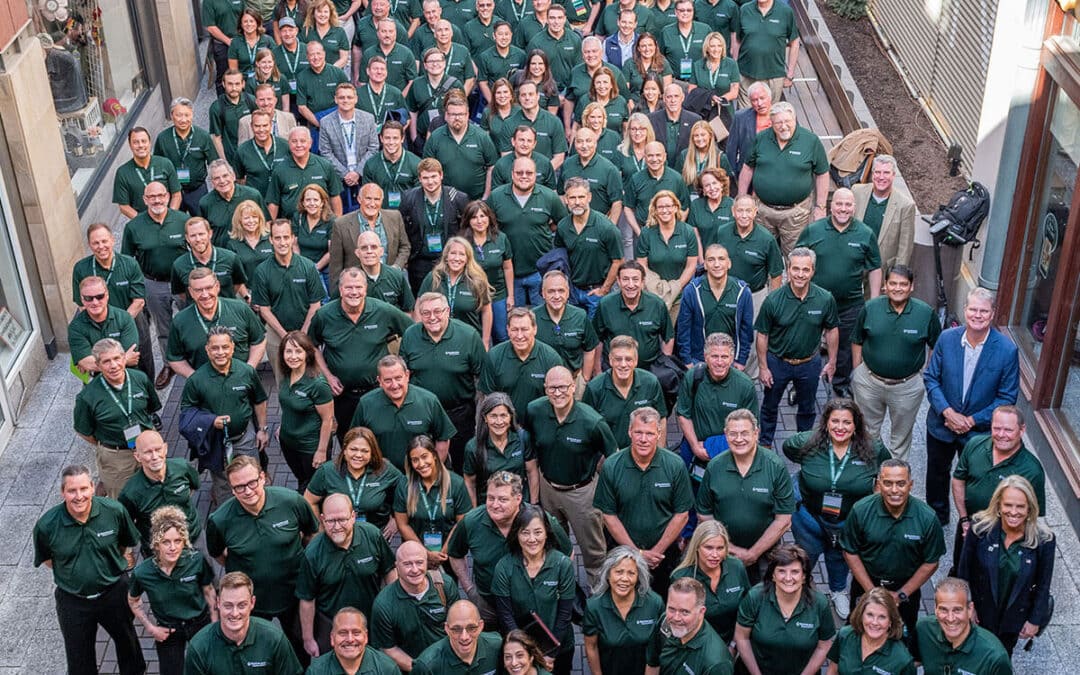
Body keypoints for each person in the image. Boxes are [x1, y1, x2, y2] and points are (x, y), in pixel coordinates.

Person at [782, 398, 892, 619]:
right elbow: (787, 449)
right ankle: (801, 589)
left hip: (849, 521)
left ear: (856, 425)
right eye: (835, 421)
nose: (840, 427)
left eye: (847, 422)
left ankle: (838, 589)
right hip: (809, 518)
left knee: (840, 557)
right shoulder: (807, 443)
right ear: (826, 423)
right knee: (805, 556)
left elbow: (885, 471)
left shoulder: (873, 449)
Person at [32, 465, 145, 675]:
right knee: (79, 661)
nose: (79, 496)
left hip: (114, 593)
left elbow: (123, 546)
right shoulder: (47, 525)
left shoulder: (114, 511)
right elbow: (48, 560)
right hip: (73, 601)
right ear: (62, 492)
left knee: (129, 647)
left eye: (84, 488)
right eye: (72, 490)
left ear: (93, 487)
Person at [206, 456, 319, 661]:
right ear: (231, 489)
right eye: (239, 487)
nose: (248, 491)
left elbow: (311, 535)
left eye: (252, 483)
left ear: (263, 477)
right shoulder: (220, 520)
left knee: (298, 651)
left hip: (294, 595)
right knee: (256, 654)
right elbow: (217, 554)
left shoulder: (291, 501)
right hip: (250, 603)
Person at [923, 287, 1019, 525]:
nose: (978, 315)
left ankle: (974, 522)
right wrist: (947, 412)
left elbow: (1007, 398)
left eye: (983, 311)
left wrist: (972, 420)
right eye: (973, 309)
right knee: (936, 474)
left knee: (977, 480)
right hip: (941, 425)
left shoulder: (1007, 351)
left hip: (978, 433)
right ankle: (938, 519)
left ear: (993, 313)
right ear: (965, 310)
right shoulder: (947, 339)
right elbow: (931, 378)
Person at [525, 366, 617, 586]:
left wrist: (598, 482)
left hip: (582, 494)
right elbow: (531, 447)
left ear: (573, 387)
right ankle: (563, 590)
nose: (558, 393)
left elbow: (613, 456)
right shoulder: (534, 411)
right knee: (554, 546)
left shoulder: (592, 421)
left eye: (563, 387)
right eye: (552, 388)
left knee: (593, 552)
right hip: (548, 489)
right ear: (545, 389)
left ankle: (598, 595)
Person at [840, 458, 945, 643]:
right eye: (888, 483)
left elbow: (931, 562)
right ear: (879, 484)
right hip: (866, 584)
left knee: (902, 637)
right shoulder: (861, 510)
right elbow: (850, 552)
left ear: (911, 485)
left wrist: (902, 594)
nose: (894, 490)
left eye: (901, 484)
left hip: (906, 591)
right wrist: (871, 591)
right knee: (859, 631)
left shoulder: (927, 518)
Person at [595, 406, 694, 594]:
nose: (643, 439)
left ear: (659, 434)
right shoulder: (612, 466)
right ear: (629, 431)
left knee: (663, 601)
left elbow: (682, 515)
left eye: (649, 433)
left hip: (664, 556)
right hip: (622, 554)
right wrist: (637, 554)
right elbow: (608, 515)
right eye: (638, 432)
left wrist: (656, 552)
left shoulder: (675, 465)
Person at [448, 472, 572, 621]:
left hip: (531, 608)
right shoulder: (471, 522)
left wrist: (553, 590)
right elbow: (455, 554)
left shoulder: (539, 519)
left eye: (503, 499)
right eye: (490, 498)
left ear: (518, 499)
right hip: (489, 606)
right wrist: (470, 589)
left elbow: (567, 554)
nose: (495, 505)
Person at [795, 187, 882, 398]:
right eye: (839, 204)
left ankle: (841, 383)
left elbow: (875, 267)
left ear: (854, 207)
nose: (843, 209)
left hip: (850, 304)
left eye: (848, 205)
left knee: (845, 348)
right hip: (814, 302)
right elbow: (796, 260)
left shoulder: (865, 233)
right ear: (830, 206)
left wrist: (874, 302)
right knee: (805, 345)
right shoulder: (813, 231)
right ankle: (801, 386)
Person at [850, 265, 940, 462]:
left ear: (911, 287)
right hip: (869, 383)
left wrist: (927, 372)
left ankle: (895, 478)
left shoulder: (925, 314)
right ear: (885, 286)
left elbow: (936, 344)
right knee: (866, 433)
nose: (897, 288)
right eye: (893, 283)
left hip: (906, 386)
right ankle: (869, 475)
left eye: (903, 284)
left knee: (900, 438)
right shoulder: (871, 308)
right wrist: (857, 371)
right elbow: (857, 339)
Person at [958, 475, 1055, 656]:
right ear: (998, 506)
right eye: (1008, 505)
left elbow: (1044, 584)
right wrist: (967, 606)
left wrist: (1034, 620)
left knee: (1000, 659)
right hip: (979, 614)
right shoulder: (979, 529)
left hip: (1012, 620)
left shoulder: (1044, 540)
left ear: (1029, 509)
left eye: (1020, 506)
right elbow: (963, 572)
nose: (1013, 511)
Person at [754, 247, 839, 448]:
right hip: (778, 362)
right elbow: (762, 335)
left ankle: (803, 445)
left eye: (805, 270)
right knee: (769, 406)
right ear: (788, 270)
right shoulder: (773, 300)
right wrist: (763, 367)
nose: (800, 274)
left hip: (809, 363)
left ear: (813, 271)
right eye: (796, 269)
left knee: (808, 408)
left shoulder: (825, 298)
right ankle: (765, 445)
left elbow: (832, 330)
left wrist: (832, 362)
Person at [695, 409, 792, 583]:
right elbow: (704, 513)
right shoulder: (715, 467)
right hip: (721, 552)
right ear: (725, 434)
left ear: (756, 433)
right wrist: (728, 548)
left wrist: (753, 553)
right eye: (733, 434)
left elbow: (783, 519)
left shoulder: (775, 467)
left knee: (764, 597)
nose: (739, 439)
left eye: (745, 433)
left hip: (766, 552)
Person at [179, 326, 270, 505]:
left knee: (252, 479)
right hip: (216, 444)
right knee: (223, 484)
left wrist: (262, 429)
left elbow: (259, 400)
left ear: (233, 347)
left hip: (246, 437)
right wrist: (211, 421)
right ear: (207, 349)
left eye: (225, 347)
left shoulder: (246, 372)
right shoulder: (196, 380)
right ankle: (229, 516)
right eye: (215, 348)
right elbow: (186, 413)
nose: (220, 352)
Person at [297, 493, 396, 656]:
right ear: (322, 519)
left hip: (371, 620)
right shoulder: (312, 553)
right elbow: (307, 599)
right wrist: (308, 639)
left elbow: (389, 571)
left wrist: (392, 614)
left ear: (353, 517)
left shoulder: (372, 536)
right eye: (330, 521)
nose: (336, 527)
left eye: (342, 520)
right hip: (332, 626)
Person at [952, 405, 1046, 571]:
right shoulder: (975, 445)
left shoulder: (1032, 470)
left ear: (1022, 430)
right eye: (997, 428)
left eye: (1008, 430)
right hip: (969, 526)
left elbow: (1032, 515)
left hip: (1001, 539)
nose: (1001, 435)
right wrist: (964, 520)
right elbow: (958, 479)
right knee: (960, 570)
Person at [400, 292, 486, 471]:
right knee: (422, 465)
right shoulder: (410, 335)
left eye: (437, 311)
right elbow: (403, 374)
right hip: (422, 414)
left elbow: (482, 378)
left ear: (448, 311)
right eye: (426, 313)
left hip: (460, 414)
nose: (432, 318)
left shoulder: (468, 336)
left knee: (463, 465)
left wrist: (480, 416)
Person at [127, 506, 217, 675]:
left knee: (210, 669)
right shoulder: (142, 573)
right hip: (169, 630)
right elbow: (133, 600)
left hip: (199, 623)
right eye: (166, 542)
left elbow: (209, 591)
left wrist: (215, 624)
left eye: (177, 541)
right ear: (156, 544)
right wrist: (150, 627)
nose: (172, 547)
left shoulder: (196, 560)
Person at [492, 503, 577, 674]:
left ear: (546, 533)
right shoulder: (504, 567)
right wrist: (525, 652)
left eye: (538, 532)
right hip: (521, 653)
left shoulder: (562, 564)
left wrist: (551, 654)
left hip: (559, 647)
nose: (532, 539)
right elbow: (505, 615)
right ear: (517, 534)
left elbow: (565, 613)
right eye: (525, 532)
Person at [120, 180, 189, 389]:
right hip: (153, 284)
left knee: (189, 323)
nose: (157, 200)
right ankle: (170, 365)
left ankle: (193, 360)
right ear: (144, 200)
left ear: (168, 197)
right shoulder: (133, 227)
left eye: (160, 195)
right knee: (163, 327)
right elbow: (127, 259)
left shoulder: (182, 220)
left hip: (182, 284)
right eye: (151, 197)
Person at [737, 102, 829, 256]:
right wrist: (742, 197)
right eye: (779, 122)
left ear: (795, 119)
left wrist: (820, 207)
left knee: (795, 256)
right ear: (771, 123)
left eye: (788, 121)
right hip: (762, 211)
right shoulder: (761, 138)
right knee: (760, 253)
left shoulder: (811, 141)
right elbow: (748, 167)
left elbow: (822, 174)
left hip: (796, 213)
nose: (784, 126)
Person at [72, 338, 161, 498]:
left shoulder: (140, 378)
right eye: (106, 361)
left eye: (116, 359)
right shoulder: (87, 397)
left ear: (123, 358)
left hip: (148, 448)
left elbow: (150, 408)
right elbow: (84, 431)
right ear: (98, 366)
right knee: (123, 502)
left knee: (158, 492)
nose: (113, 366)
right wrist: (107, 443)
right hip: (116, 457)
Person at [734, 544, 834, 675]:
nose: (788, 578)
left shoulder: (820, 604)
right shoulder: (755, 597)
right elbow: (742, 638)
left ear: (804, 576)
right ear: (773, 575)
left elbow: (824, 646)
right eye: (781, 571)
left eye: (795, 572)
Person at [72, 223, 153, 381]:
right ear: (89, 244)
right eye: (95, 243)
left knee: (141, 362)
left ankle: (147, 397)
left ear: (112, 240)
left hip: (132, 321)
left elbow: (138, 301)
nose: (101, 246)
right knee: (104, 364)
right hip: (97, 326)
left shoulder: (129, 264)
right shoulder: (81, 268)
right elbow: (81, 304)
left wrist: (120, 323)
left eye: (104, 241)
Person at [184, 571, 304, 674]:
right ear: (218, 603)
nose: (235, 613)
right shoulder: (199, 647)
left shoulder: (274, 640)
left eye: (242, 605)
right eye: (228, 606)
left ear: (252, 603)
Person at [250, 218, 325, 381]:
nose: (282, 242)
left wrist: (302, 335)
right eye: (277, 238)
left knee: (313, 379)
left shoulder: (307, 267)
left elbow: (315, 305)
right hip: (277, 335)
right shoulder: (262, 271)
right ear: (271, 240)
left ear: (292, 238)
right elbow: (264, 309)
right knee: (283, 383)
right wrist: (286, 337)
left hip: (307, 331)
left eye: (285, 237)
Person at [351, 355, 457, 471]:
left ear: (407, 375)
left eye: (398, 378)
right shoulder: (366, 404)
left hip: (419, 474)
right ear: (379, 381)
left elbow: (443, 439)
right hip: (381, 477)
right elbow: (355, 441)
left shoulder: (429, 401)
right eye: (388, 380)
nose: (395, 385)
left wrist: (433, 471)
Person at [488, 156, 568, 307]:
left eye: (529, 173)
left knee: (543, 318)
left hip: (540, 272)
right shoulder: (496, 197)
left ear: (535, 174)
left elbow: (563, 225)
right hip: (509, 274)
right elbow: (487, 228)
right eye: (519, 173)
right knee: (516, 323)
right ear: (512, 174)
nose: (524, 176)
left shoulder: (549, 197)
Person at [675, 333, 758, 477]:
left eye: (724, 357)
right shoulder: (693, 377)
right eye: (714, 356)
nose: (719, 362)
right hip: (694, 447)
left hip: (730, 452)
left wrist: (716, 447)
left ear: (732, 358)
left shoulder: (745, 386)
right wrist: (695, 447)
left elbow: (753, 428)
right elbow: (684, 414)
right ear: (705, 356)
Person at [370, 540, 462, 670]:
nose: (414, 569)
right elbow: (388, 648)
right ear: (396, 566)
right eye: (407, 564)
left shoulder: (444, 586)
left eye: (419, 562)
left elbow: (458, 628)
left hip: (448, 665)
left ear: (427, 562)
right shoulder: (384, 603)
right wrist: (420, 669)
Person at [165, 267, 266, 378]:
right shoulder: (180, 321)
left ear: (217, 286)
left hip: (242, 381)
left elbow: (258, 341)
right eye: (198, 290)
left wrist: (249, 369)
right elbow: (175, 358)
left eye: (209, 288)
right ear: (190, 292)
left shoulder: (241, 309)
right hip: (204, 388)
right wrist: (194, 377)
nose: (205, 294)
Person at [304, 426, 404, 536]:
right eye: (353, 449)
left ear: (372, 453)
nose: (358, 455)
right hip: (337, 535)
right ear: (345, 450)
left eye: (365, 451)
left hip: (374, 534)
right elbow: (309, 500)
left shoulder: (385, 469)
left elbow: (407, 489)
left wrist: (397, 519)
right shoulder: (327, 471)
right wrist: (321, 529)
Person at [117, 430, 201, 557]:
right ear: (137, 456)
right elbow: (126, 524)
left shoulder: (182, 467)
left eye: (158, 449)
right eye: (148, 452)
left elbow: (194, 486)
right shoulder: (130, 493)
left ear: (165, 449)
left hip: (193, 537)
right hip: (159, 551)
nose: (155, 456)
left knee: (209, 573)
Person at [393, 435, 472, 568]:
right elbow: (402, 524)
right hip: (415, 557)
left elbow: (462, 522)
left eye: (425, 456)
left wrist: (443, 552)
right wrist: (425, 554)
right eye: (415, 460)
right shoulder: (404, 484)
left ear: (434, 455)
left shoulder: (456, 483)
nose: (421, 464)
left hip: (448, 555)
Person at [582, 546, 663, 675]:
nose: (625, 578)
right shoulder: (594, 606)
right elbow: (591, 647)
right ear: (608, 574)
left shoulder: (654, 603)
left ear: (638, 577)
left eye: (631, 573)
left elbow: (661, 646)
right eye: (619, 572)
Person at [479, 308, 565, 426]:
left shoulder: (551, 358)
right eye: (514, 329)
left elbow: (559, 399)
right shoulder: (494, 356)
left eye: (524, 329)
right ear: (508, 330)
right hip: (505, 428)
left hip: (541, 427)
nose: (519, 336)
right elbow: (488, 398)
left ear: (534, 329)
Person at [553, 178, 622, 319]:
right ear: (566, 199)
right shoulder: (563, 226)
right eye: (572, 197)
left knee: (595, 338)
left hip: (596, 292)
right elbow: (560, 257)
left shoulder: (606, 227)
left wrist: (604, 290)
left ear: (589, 197)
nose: (577, 202)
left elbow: (618, 261)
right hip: (572, 292)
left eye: (581, 197)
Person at [670, 520, 749, 643]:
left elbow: (747, 610)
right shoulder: (681, 576)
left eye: (720, 548)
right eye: (709, 548)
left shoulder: (736, 567)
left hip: (735, 642)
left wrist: (735, 645)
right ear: (696, 547)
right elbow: (677, 622)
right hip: (698, 645)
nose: (715, 554)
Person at [581, 335, 667, 448]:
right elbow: (586, 427)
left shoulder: (650, 383)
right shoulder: (594, 388)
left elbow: (661, 418)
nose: (623, 364)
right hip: (609, 458)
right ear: (610, 360)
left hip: (644, 454)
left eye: (628, 359)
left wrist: (659, 453)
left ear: (636, 361)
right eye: (618, 359)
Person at [913, 577, 1012, 674]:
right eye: (943, 609)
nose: (950, 618)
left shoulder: (994, 657)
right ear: (935, 609)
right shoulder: (923, 630)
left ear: (970, 609)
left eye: (957, 610)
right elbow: (911, 662)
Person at [676, 244, 753, 368]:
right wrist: (687, 360)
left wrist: (741, 360)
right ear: (705, 264)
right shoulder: (692, 291)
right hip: (699, 360)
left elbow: (746, 330)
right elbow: (683, 329)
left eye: (721, 259)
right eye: (711, 260)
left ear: (729, 263)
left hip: (730, 361)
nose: (717, 264)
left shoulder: (742, 291)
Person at [400, 158, 470, 292]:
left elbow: (467, 229)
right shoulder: (409, 198)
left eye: (434, 176)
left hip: (449, 260)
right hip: (420, 261)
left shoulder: (457, 198)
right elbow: (402, 230)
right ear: (419, 178)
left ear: (441, 175)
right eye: (425, 178)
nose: (430, 182)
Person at [276, 331, 333, 491]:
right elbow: (288, 404)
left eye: (298, 351)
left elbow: (328, 419)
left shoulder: (318, 384)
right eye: (288, 351)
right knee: (302, 479)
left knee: (314, 488)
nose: (293, 356)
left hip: (310, 447)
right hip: (288, 443)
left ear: (307, 354)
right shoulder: (286, 375)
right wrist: (284, 424)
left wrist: (321, 451)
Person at [593, 261, 675, 370]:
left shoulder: (657, 304)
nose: (630, 285)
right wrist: (598, 370)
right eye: (625, 279)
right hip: (614, 370)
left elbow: (668, 338)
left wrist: (665, 366)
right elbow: (597, 340)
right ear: (618, 281)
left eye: (635, 279)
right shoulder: (605, 304)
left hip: (650, 370)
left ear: (642, 282)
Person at [329, 182, 411, 289]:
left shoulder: (395, 217)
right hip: (357, 286)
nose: (372, 204)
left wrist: (396, 268)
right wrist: (336, 293)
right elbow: (336, 265)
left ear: (382, 201)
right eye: (368, 198)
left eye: (376, 199)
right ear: (359, 199)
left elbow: (405, 247)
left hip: (390, 282)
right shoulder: (341, 224)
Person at [646, 577, 733, 675]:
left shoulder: (716, 663)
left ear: (701, 612)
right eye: (672, 609)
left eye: (685, 612)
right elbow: (653, 664)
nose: (676, 618)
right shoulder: (665, 622)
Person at [462, 394, 539, 505]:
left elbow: (532, 472)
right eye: (493, 416)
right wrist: (474, 512)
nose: (499, 422)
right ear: (485, 418)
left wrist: (533, 505)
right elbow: (470, 482)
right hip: (491, 507)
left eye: (503, 415)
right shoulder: (473, 447)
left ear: (511, 416)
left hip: (520, 506)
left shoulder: (522, 438)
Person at [418, 237, 494, 345]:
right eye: (453, 253)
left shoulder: (477, 281)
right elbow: (419, 306)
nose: (457, 258)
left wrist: (485, 341)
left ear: (468, 258)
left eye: (462, 254)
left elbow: (487, 311)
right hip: (438, 340)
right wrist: (420, 337)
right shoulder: (434, 278)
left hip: (468, 341)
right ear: (446, 256)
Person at [635, 190, 699, 316]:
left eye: (668, 206)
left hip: (681, 295)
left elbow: (691, 265)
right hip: (653, 294)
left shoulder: (688, 232)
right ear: (655, 210)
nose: (665, 210)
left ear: (675, 208)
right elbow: (642, 264)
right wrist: (657, 288)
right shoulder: (646, 233)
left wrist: (676, 287)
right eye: (661, 207)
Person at [459, 200, 515, 342]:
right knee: (474, 337)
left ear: (489, 217)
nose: (479, 221)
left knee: (502, 335)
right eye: (474, 217)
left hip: (498, 295)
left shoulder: (501, 238)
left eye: (483, 216)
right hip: (472, 296)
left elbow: (507, 267)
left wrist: (511, 296)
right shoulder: (461, 242)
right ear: (468, 220)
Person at [319, 83, 380, 213]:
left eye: (349, 97)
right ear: (335, 99)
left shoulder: (368, 119)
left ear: (356, 99)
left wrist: (357, 172)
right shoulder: (326, 122)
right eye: (341, 98)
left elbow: (374, 147)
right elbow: (325, 152)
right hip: (338, 177)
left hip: (364, 175)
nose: (345, 101)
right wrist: (345, 173)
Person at [826, 588, 916, 675]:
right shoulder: (845, 635)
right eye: (870, 615)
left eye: (882, 617)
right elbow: (833, 669)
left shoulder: (903, 659)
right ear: (861, 615)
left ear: (890, 621)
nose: (874, 622)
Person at [155, 97, 219, 216]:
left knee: (202, 222)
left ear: (192, 115)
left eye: (187, 115)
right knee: (174, 224)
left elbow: (214, 164)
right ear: (171, 115)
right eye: (179, 115)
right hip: (173, 192)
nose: (183, 120)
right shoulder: (163, 138)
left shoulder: (203, 136)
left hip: (197, 191)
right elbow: (157, 165)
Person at [533, 270, 601, 382]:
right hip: (544, 382)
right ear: (543, 293)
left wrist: (585, 378)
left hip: (574, 379)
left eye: (561, 291)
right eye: (551, 291)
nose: (556, 296)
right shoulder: (533, 317)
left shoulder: (580, 315)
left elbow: (590, 348)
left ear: (568, 292)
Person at [852, 154, 916, 271]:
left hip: (881, 269)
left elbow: (905, 248)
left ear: (893, 175)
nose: (881, 177)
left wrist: (897, 275)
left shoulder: (905, 206)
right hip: (854, 264)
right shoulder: (857, 192)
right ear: (872, 174)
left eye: (886, 173)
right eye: (877, 172)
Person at [67, 277, 139, 377]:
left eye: (100, 296)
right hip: (97, 381)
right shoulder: (75, 327)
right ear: (82, 299)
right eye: (89, 298)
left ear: (107, 295)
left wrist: (96, 363)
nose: (95, 302)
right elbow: (86, 362)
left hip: (128, 376)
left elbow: (132, 352)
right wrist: (125, 359)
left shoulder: (124, 318)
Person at [267, 127, 345, 219]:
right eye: (294, 141)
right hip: (292, 226)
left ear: (310, 143)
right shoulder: (279, 170)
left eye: (303, 141)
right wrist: (270, 228)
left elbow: (335, 196)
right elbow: (273, 203)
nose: (298, 145)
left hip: (322, 224)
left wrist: (338, 222)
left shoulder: (325, 165)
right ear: (289, 143)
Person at [411, 600, 504, 674]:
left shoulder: (497, 647)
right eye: (456, 629)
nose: (464, 637)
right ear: (447, 629)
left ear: (481, 626)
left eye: (471, 628)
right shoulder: (427, 666)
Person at [733, 0, 799, 105]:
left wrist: (790, 74)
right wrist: (734, 67)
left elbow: (795, 42)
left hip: (774, 76)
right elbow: (736, 40)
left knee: (770, 116)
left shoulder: (786, 11)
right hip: (746, 74)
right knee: (745, 116)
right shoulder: (744, 9)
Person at [169, 217, 248, 301]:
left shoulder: (230, 258)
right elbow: (182, 294)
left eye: (201, 234)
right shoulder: (179, 265)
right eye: (193, 236)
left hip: (226, 311)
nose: (198, 239)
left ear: (210, 234)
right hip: (196, 311)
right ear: (187, 238)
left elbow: (237, 284)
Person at [623, 142, 691, 239]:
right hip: (645, 233)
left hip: (671, 236)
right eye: (650, 156)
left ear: (664, 156)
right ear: (645, 157)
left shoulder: (676, 179)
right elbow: (628, 207)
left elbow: (685, 208)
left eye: (658, 155)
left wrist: (675, 230)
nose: (654, 159)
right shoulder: (636, 179)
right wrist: (639, 233)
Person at [307, 607, 402, 674]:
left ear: (366, 637)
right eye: (343, 633)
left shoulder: (387, 669)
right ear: (332, 638)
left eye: (356, 633)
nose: (350, 639)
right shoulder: (316, 671)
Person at [559, 128, 625, 226]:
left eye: (588, 141)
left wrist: (610, 227)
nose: (584, 146)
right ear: (574, 144)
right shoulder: (567, 165)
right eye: (580, 142)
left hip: (599, 226)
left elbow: (617, 202)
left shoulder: (609, 169)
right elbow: (561, 194)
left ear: (595, 143)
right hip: (571, 225)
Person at [112, 127, 181, 218]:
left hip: (167, 218)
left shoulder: (165, 164)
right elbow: (124, 206)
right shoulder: (123, 172)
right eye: (136, 142)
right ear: (130, 145)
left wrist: (171, 216)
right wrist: (142, 222)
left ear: (149, 143)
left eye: (143, 141)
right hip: (141, 224)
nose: (140, 145)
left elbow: (176, 194)